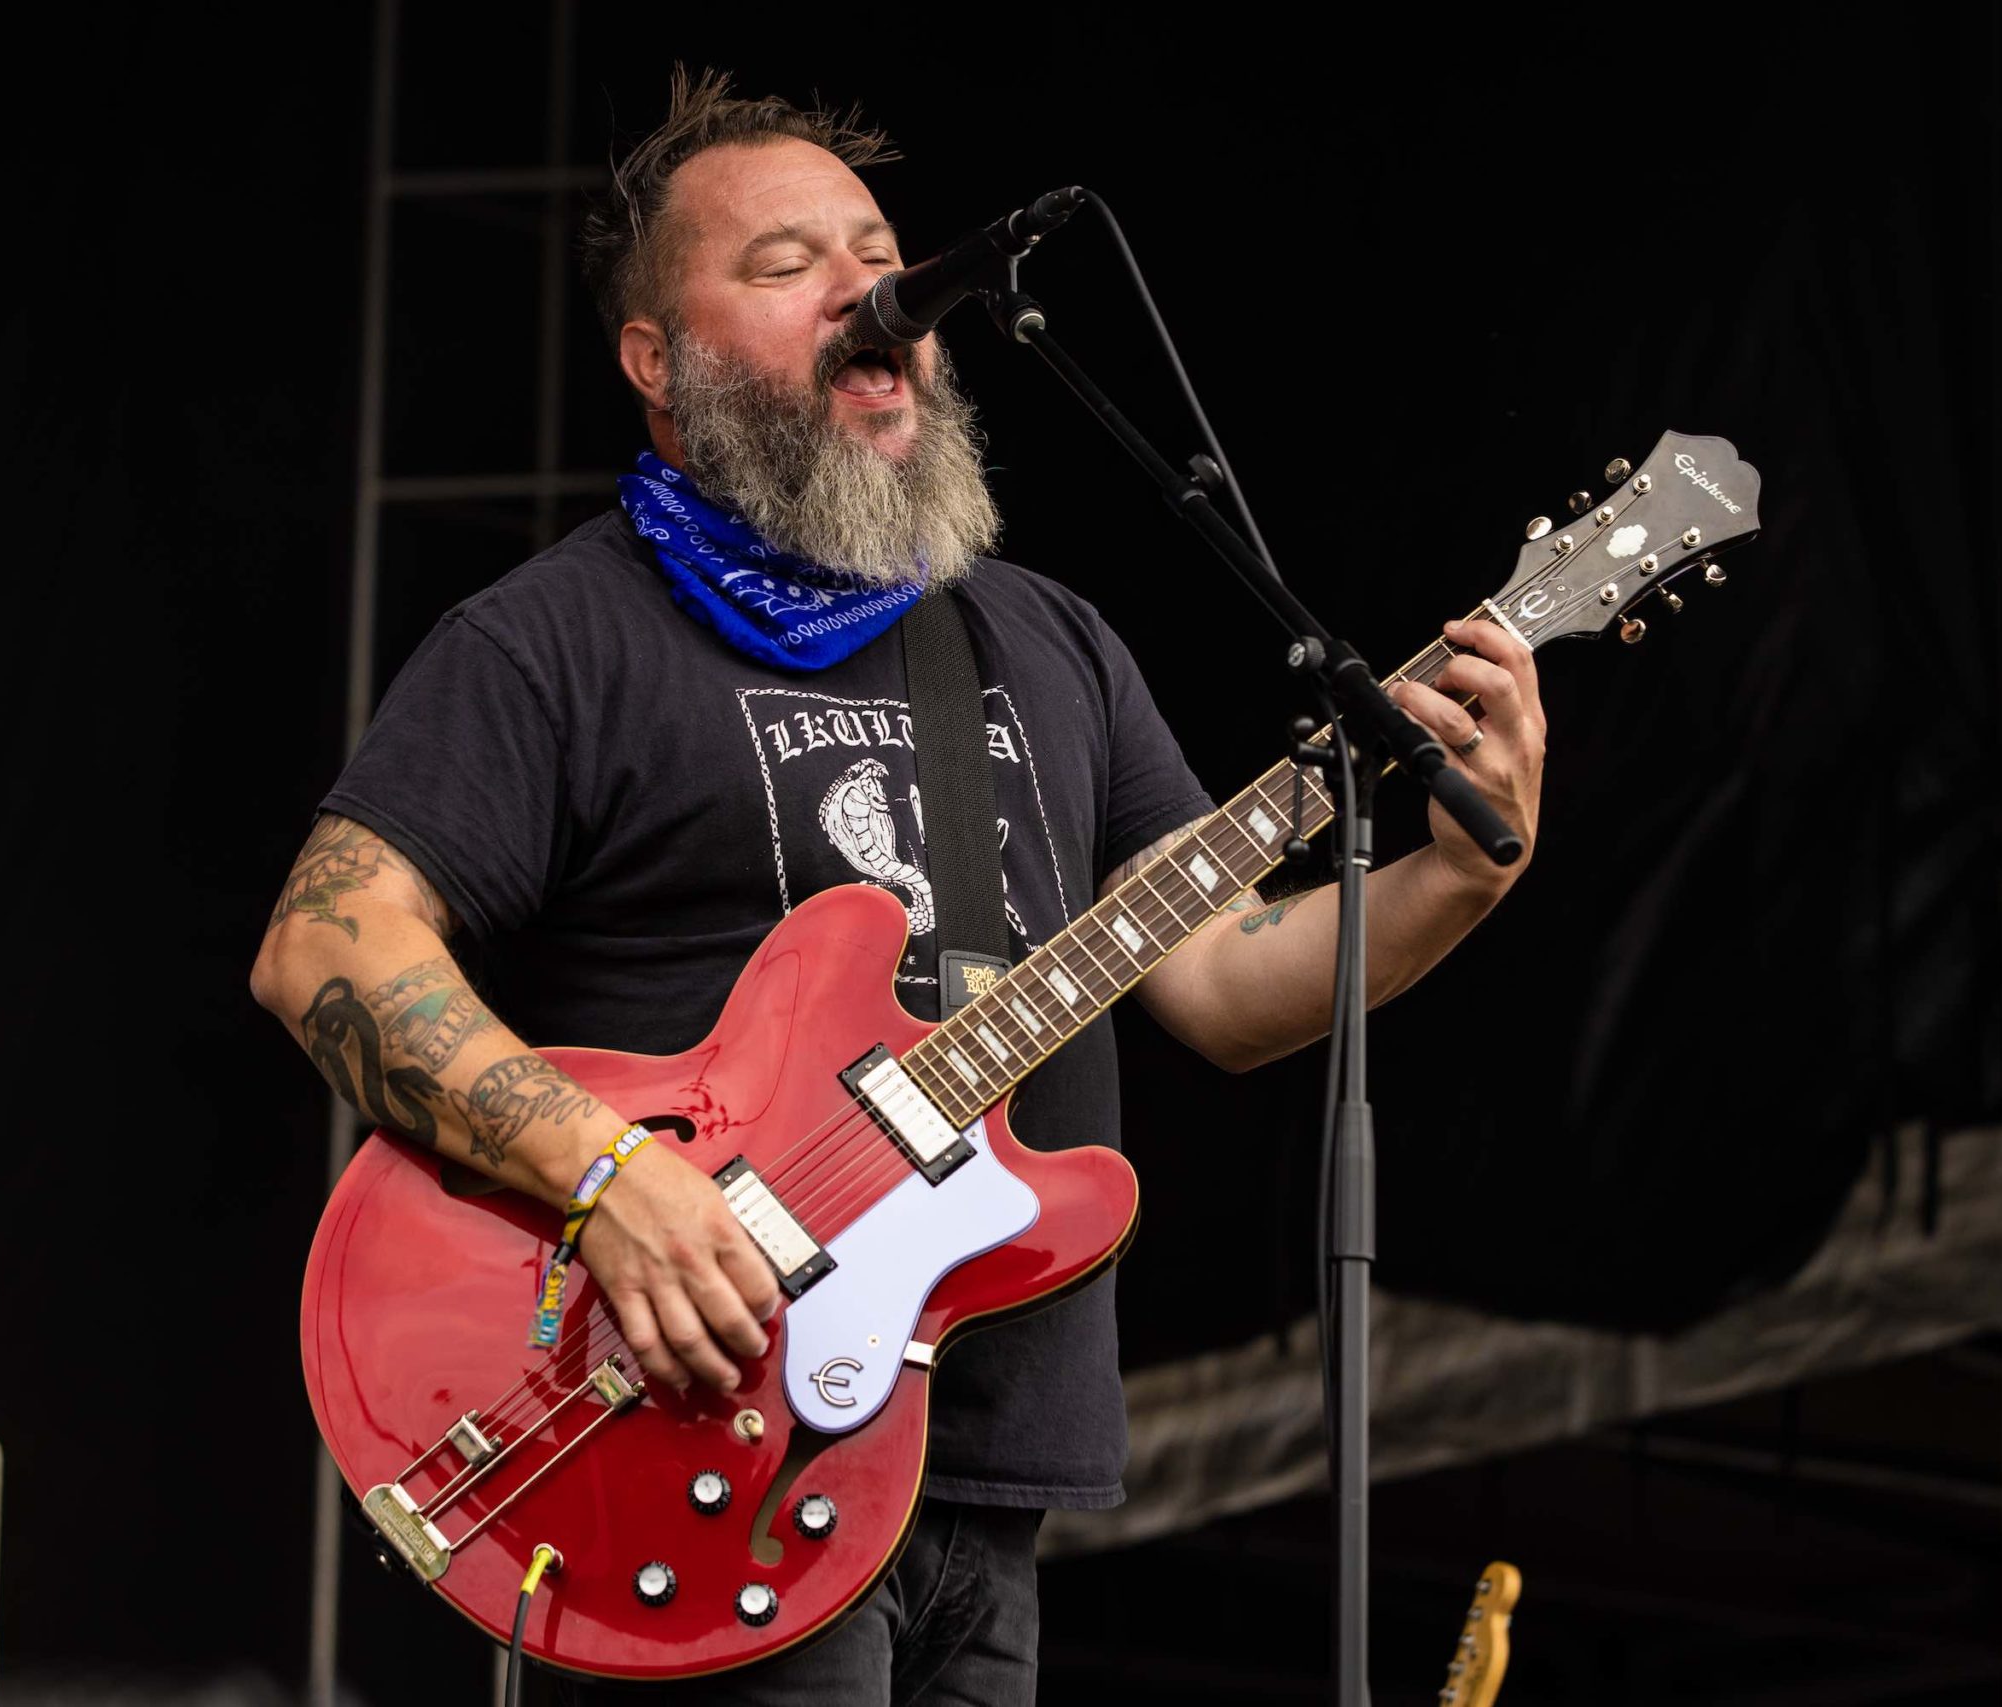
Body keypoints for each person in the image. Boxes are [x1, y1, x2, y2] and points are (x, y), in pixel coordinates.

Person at [248, 68, 1544, 1706]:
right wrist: (608, 1181)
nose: (872, 293)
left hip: (979, 1471)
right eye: (788, 265)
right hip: (685, 1443)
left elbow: (1219, 982)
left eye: (880, 255)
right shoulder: (554, 644)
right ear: (658, 356)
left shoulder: (1046, 643)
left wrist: (1456, 872)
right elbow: (326, 942)